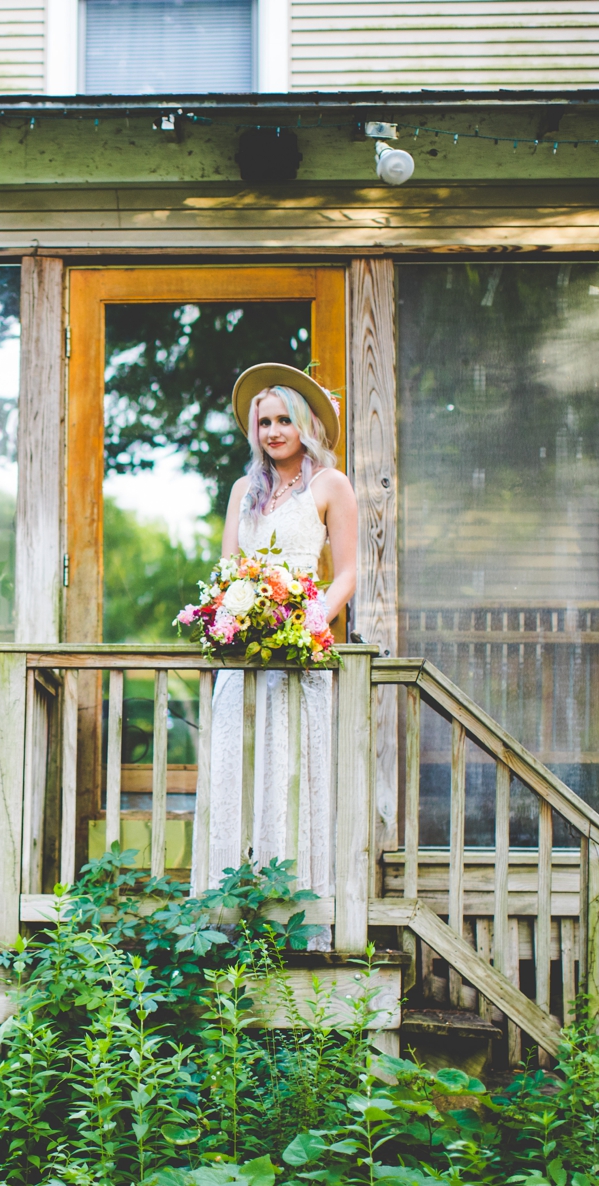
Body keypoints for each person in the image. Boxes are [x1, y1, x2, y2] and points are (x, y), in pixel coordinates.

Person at [194, 364, 357, 931]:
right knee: (237, 770)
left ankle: (295, 916)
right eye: (264, 422)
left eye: (284, 419)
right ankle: (229, 916)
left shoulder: (330, 486)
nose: (273, 430)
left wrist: (307, 622)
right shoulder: (245, 491)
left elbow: (350, 573)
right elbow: (230, 571)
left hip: (299, 655)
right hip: (244, 662)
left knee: (293, 772)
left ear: (306, 423)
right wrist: (229, 619)